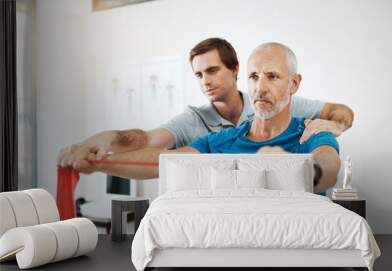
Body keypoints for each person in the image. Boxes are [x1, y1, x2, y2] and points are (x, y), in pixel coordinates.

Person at [65, 42, 340, 193]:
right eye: (254, 77)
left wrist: (295, 170)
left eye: (273, 76)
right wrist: (100, 162)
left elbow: (328, 166)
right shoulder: (220, 139)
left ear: (294, 84)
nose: (261, 86)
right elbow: (160, 162)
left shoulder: (311, 131)